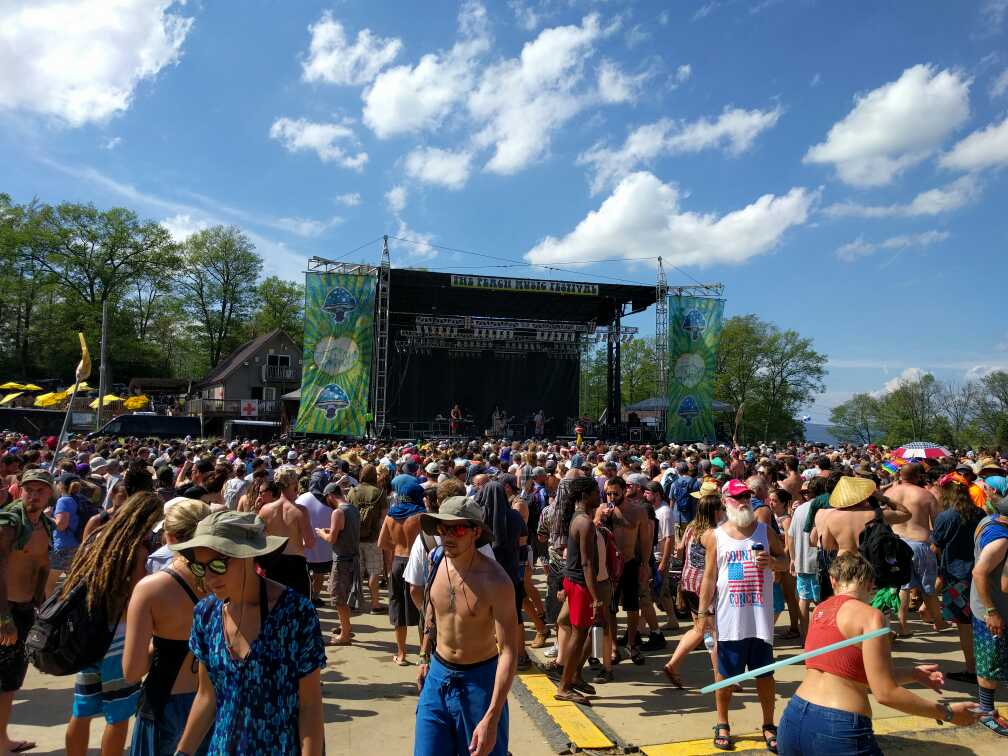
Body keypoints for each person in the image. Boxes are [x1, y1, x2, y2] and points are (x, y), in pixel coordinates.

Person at [778, 551, 980, 755]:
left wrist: (913, 674)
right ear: (870, 584)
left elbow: (850, 674)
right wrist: (948, 713)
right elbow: (885, 693)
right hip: (839, 727)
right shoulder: (871, 617)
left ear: (832, 580)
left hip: (794, 718)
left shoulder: (819, 611)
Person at [172, 511, 325, 755]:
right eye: (200, 568)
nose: (209, 578)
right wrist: (182, 752)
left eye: (218, 565)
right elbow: (207, 697)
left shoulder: (295, 613)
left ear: (247, 556)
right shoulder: (206, 614)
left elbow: (310, 705)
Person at [414, 496, 518, 756]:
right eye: (443, 528)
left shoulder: (496, 582)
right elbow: (432, 609)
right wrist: (424, 654)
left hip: (479, 683)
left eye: (458, 529)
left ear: (476, 532)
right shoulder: (436, 559)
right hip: (437, 676)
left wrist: (492, 716)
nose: (449, 536)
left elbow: (509, 651)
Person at [63, 492, 163, 756]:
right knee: (117, 716)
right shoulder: (136, 551)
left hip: (88, 636)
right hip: (118, 640)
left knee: (81, 710)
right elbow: (137, 597)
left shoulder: (97, 539)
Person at [697, 479, 788, 753]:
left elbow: (786, 561)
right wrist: (703, 613)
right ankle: (722, 723)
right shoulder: (716, 536)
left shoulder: (764, 531)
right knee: (725, 676)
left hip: (760, 620)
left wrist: (773, 563)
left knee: (765, 676)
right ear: (725, 501)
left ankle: (769, 724)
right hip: (730, 620)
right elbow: (709, 577)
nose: (744, 502)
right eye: (738, 497)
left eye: (747, 496)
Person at [123, 498, 212, 756]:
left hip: (168, 702)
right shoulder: (226, 580)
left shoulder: (151, 589)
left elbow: (132, 671)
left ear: (169, 537)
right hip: (217, 702)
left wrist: (159, 644)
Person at [0, 468, 55, 755]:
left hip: (23, 610)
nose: (33, 495)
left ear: (50, 494)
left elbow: (42, 564)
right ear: (19, 490)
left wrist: (40, 603)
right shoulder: (9, 522)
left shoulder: (45, 525)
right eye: (28, 489)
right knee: (5, 683)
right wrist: (3, 617)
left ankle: (2, 739)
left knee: (10, 681)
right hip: (5, 610)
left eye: (40, 490)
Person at [931, 471, 986, 684]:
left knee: (964, 625)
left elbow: (936, 546)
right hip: (980, 573)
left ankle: (971, 669)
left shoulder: (946, 517)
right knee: (981, 621)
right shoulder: (980, 513)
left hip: (956, 577)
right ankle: (987, 666)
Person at [663, 487, 721, 687]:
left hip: (688, 582)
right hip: (703, 587)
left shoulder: (691, 527)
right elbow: (712, 567)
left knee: (703, 630)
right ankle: (720, 677)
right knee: (710, 631)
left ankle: (674, 665)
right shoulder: (713, 534)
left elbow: (680, 552)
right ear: (715, 511)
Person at [554, 477, 604, 705]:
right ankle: (564, 687)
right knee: (579, 634)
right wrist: (595, 597)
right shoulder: (585, 522)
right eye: (595, 491)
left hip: (573, 582)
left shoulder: (578, 517)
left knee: (583, 630)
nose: (599, 494)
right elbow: (586, 563)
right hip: (581, 585)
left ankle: (574, 676)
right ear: (585, 495)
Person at [888, 463, 948, 636]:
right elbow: (938, 523)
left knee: (903, 587)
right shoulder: (925, 494)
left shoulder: (889, 493)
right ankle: (938, 622)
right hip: (920, 544)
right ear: (918, 476)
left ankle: (903, 626)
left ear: (900, 475)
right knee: (927, 586)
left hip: (896, 543)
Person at [380, 462, 426, 665]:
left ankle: (401, 654)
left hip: (398, 562)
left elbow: (382, 543)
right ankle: (424, 654)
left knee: (398, 608)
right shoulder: (421, 516)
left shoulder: (392, 515)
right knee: (422, 608)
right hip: (419, 564)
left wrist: (396, 547)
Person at [970, 494, 1008, 735]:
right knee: (990, 661)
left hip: (987, 605)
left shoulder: (987, 520)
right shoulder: (1002, 540)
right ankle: (985, 711)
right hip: (992, 610)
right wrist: (991, 611)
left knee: (994, 659)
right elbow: (980, 573)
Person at [315, 481, 361, 646]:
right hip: (352, 558)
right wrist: (331, 531)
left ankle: (345, 635)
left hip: (342, 560)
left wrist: (321, 533)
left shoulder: (338, 512)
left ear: (330, 496)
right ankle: (345, 627)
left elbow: (331, 539)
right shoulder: (353, 509)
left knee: (338, 598)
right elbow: (343, 531)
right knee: (344, 597)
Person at [257, 466, 314, 597]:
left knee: (274, 605)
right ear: (294, 485)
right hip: (295, 564)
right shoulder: (300, 511)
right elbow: (310, 543)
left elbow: (259, 538)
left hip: (273, 563)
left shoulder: (265, 509)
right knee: (299, 606)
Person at [352, 464, 387, 614]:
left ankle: (355, 602)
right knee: (374, 572)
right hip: (373, 539)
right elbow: (383, 518)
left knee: (357, 572)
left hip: (355, 538)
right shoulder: (379, 493)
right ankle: (375, 604)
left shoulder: (353, 492)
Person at [295, 483, 335, 607]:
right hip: (323, 545)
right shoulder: (329, 499)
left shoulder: (302, 498)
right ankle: (315, 596)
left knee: (306, 574)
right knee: (319, 574)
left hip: (304, 545)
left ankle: (308, 596)